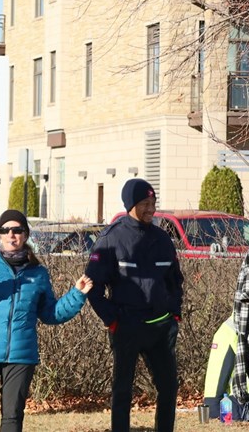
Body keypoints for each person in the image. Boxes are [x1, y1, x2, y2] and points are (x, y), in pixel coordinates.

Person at [0, 209, 93, 432]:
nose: (12, 234)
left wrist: (76, 294)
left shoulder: (38, 273)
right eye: (5, 230)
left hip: (22, 356)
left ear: (26, 235)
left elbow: (51, 313)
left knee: (12, 418)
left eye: (17, 230)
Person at [85, 178, 184, 432]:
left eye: (153, 203)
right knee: (122, 389)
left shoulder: (162, 239)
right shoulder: (111, 239)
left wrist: (174, 314)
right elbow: (92, 286)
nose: (151, 209)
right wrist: (113, 319)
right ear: (130, 204)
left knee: (169, 387)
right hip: (127, 326)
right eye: (144, 203)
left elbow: (175, 281)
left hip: (160, 327)